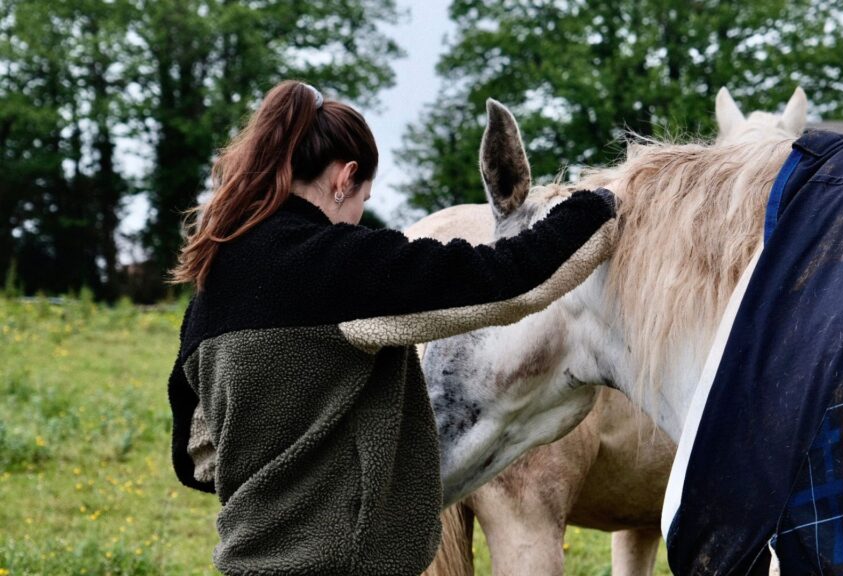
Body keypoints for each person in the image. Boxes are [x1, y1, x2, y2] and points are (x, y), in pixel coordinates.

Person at [165, 80, 618, 575]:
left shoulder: (210, 290)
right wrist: (598, 206)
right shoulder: (339, 265)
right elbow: (507, 283)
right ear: (344, 177)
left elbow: (199, 456)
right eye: (364, 196)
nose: (359, 215)